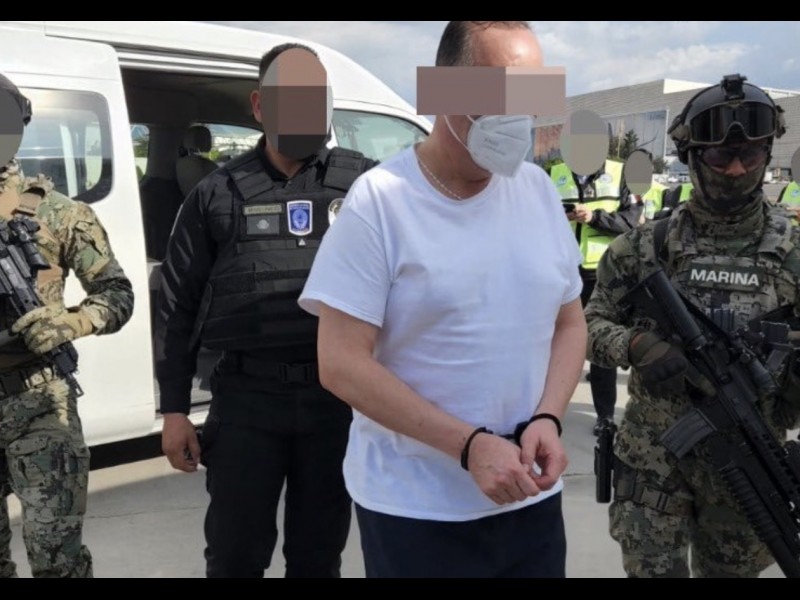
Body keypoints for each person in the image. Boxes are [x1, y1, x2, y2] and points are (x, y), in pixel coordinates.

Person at [299, 21, 587, 578]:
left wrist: (549, 416)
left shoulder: (536, 192)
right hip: (416, 511)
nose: (516, 118)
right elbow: (340, 362)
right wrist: (468, 446)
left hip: (530, 501)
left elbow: (569, 324)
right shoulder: (381, 202)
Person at [156, 43, 376, 578]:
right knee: (235, 556)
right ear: (260, 105)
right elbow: (178, 305)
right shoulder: (216, 193)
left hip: (335, 403)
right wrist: (175, 410)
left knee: (318, 559)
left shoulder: (367, 187)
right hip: (246, 402)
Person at [584, 73, 800, 577]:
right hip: (654, 463)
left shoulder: (793, 254)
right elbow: (588, 325)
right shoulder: (644, 248)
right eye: (721, 157)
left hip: (749, 467)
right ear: (692, 157)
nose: (737, 169)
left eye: (751, 155)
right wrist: (637, 344)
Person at [0, 73, 134, 578]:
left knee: (57, 562)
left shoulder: (60, 214)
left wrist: (72, 322)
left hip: (39, 404)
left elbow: (118, 294)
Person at [552, 158, 639, 436]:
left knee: (600, 344)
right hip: (561, 271)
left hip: (602, 275)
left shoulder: (621, 173)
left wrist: (594, 217)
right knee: (551, 345)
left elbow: (631, 221)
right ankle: (545, 413)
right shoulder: (555, 173)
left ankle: (605, 416)